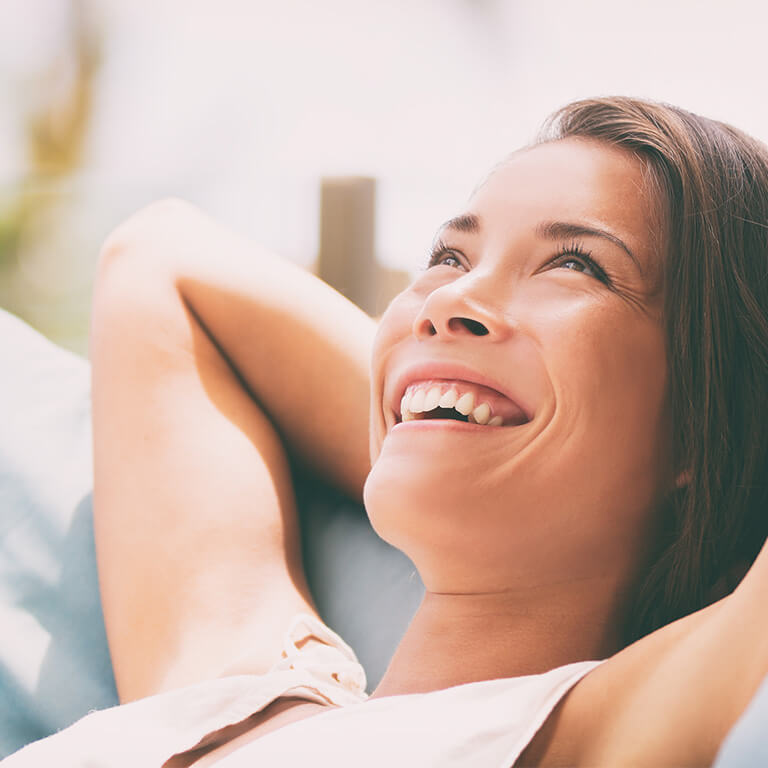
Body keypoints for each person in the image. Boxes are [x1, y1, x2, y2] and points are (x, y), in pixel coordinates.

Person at [3, 95, 768, 766]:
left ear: (707, 425)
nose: (449, 299)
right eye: (447, 257)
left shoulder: (603, 733)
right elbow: (161, 257)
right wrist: (433, 407)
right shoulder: (232, 695)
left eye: (575, 264)